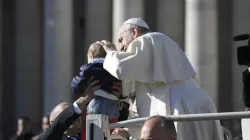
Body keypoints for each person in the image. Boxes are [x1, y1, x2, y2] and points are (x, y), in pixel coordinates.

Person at [98, 18, 224, 140]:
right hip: (193, 104)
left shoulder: (150, 39)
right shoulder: (148, 55)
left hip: (182, 106)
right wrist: (129, 130)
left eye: (121, 40)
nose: (121, 47)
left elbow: (121, 68)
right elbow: (144, 102)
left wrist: (110, 52)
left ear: (135, 32)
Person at [71, 42, 121, 122]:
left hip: (96, 103)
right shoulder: (114, 67)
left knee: (96, 129)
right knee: (110, 129)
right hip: (113, 104)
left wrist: (76, 87)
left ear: (91, 56)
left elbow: (77, 83)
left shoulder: (89, 68)